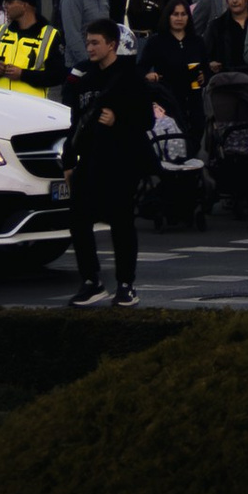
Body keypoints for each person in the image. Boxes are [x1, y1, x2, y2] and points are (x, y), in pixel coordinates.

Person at [63, 20, 148, 307]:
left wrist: (119, 120)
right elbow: (76, 123)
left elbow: (146, 120)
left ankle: (126, 284)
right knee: (78, 220)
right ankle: (91, 281)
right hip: (89, 161)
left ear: (112, 44)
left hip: (121, 161)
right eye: (88, 42)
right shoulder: (85, 79)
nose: (89, 48)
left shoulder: (130, 78)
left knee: (121, 223)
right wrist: (68, 160)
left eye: (95, 42)